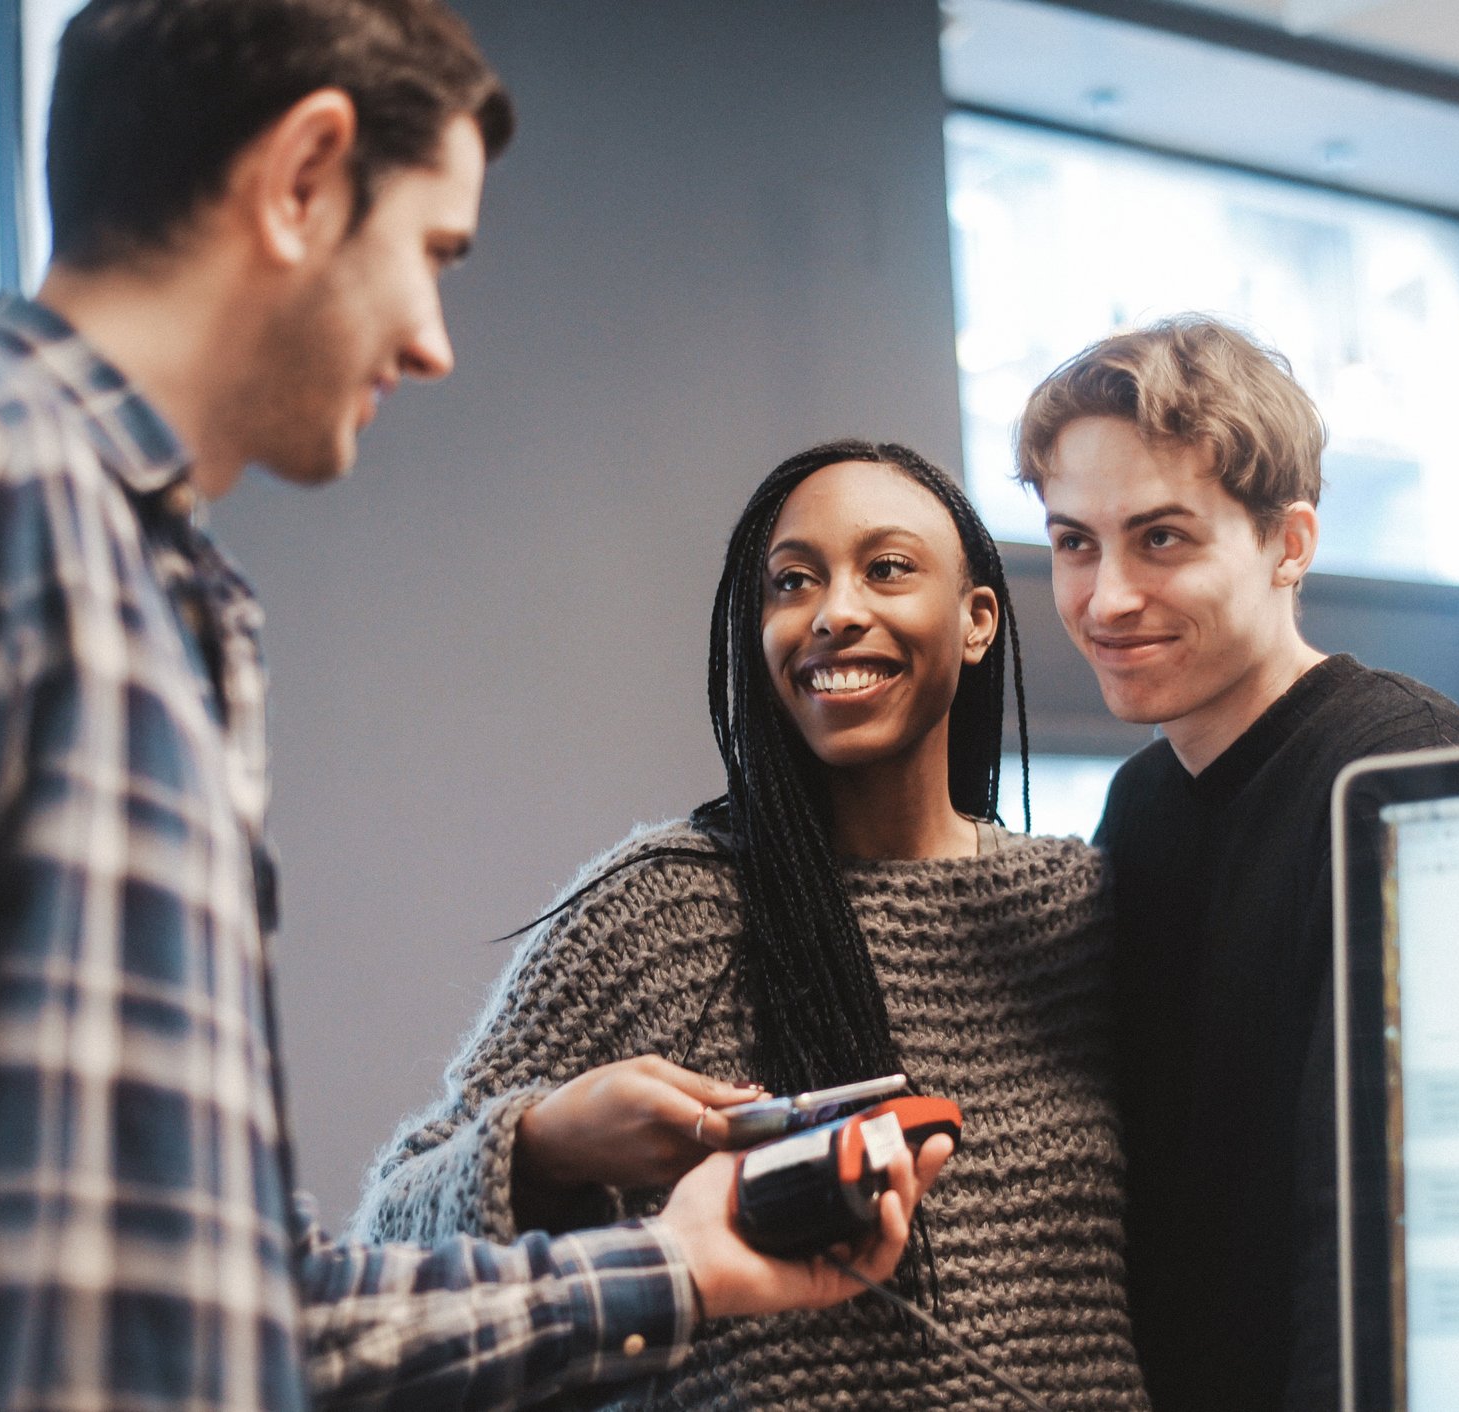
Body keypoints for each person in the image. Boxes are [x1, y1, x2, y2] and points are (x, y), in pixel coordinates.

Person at [0, 3, 946, 1410]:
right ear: (304, 178)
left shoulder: (177, 605)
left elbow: (264, 1310)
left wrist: (683, 1270)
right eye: (434, 253)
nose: (432, 341)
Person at [352, 439, 1151, 1410]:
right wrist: (546, 1145)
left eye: (887, 568)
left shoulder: (1080, 913)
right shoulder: (659, 914)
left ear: (977, 617)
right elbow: (387, 1242)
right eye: (792, 581)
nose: (834, 611)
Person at [1014, 317, 1459, 1412]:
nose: (1107, 596)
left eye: (1162, 537)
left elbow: (1392, 1202)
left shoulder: (1398, 762)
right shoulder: (1139, 804)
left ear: (1289, 542)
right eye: (1074, 542)